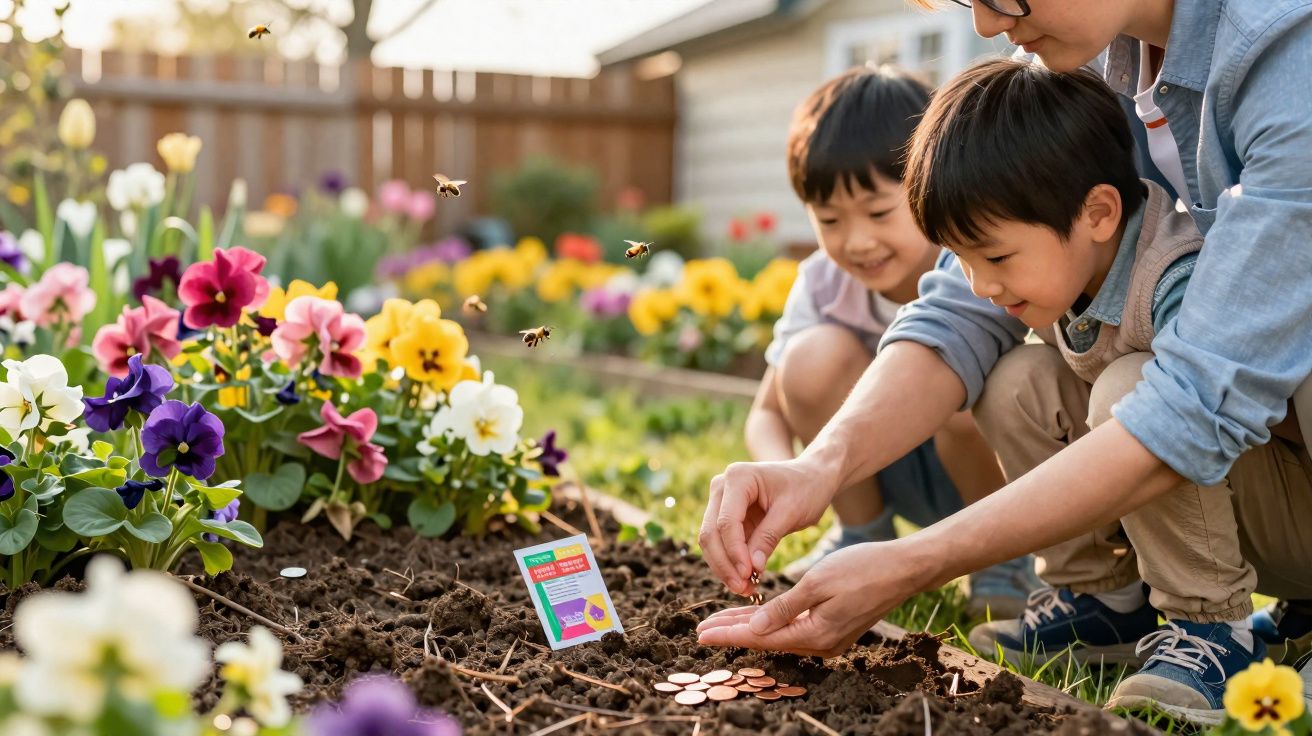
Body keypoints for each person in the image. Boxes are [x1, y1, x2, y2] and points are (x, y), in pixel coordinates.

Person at [696, 0, 1312, 725]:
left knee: (1129, 384)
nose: (988, 26)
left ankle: (1213, 629)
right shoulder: (1074, 62)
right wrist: (818, 467)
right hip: (1260, 482)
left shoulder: (1289, 57)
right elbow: (957, 313)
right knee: (1016, 378)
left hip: (1254, 459)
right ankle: (1104, 607)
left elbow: (1190, 403)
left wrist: (913, 562)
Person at [746, 64, 1036, 616]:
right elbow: (767, 411)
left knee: (960, 381)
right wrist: (781, 477)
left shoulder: (972, 263)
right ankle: (860, 534)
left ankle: (1002, 562)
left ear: (932, 186)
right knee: (810, 360)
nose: (857, 241)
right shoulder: (823, 282)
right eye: (829, 220)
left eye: (879, 212)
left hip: (984, 476)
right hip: (873, 471)